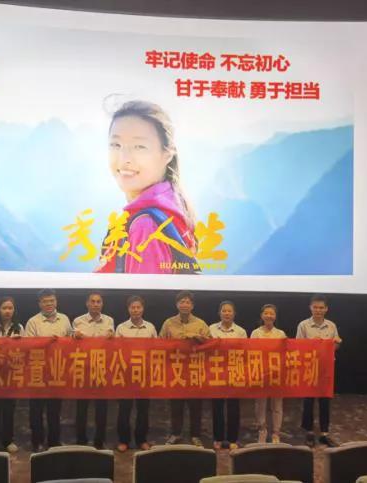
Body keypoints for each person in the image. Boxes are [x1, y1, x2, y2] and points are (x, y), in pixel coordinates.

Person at [97, 100, 198, 274]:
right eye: (116, 145)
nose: (124, 158)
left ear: (167, 154)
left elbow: (146, 293)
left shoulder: (146, 227)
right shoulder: (171, 207)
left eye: (139, 147)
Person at [159, 291, 210, 446]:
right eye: (182, 302)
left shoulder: (200, 324)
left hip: (194, 370)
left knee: (195, 405)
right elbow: (160, 343)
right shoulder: (168, 323)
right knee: (176, 405)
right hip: (176, 369)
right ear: (177, 304)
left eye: (188, 302)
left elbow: (210, 344)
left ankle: (195, 435)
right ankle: (176, 433)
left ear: (192, 305)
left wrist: (199, 339)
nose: (185, 305)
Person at [25, 289, 72, 452]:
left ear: (56, 301)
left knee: (55, 409)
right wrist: (46, 342)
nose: (49, 304)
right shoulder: (32, 322)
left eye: (51, 300)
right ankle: (37, 441)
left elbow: (71, 342)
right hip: (37, 371)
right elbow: (28, 345)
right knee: (36, 410)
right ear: (39, 303)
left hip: (57, 371)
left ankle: (54, 441)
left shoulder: (64, 319)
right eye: (45, 301)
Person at [296, 294, 342, 447]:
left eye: (321, 307)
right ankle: (309, 432)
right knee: (308, 401)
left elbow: (335, 346)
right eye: (315, 307)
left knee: (325, 401)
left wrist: (336, 343)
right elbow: (298, 346)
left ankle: (324, 433)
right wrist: (312, 343)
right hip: (309, 367)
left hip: (326, 368)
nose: (318, 310)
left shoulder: (331, 326)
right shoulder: (303, 325)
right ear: (310, 308)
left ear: (326, 309)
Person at [72, 291, 115, 449]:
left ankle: (99, 441)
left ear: (102, 304)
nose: (96, 304)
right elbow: (70, 343)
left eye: (98, 302)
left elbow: (112, 344)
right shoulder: (78, 321)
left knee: (101, 408)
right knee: (81, 408)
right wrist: (74, 336)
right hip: (83, 369)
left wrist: (111, 337)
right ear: (87, 303)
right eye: (93, 301)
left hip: (101, 369)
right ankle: (81, 440)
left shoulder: (109, 321)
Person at [115, 295, 157, 452]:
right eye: (133, 307)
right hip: (126, 374)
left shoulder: (150, 328)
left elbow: (157, 349)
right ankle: (123, 440)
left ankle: (141, 440)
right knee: (124, 409)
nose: (136, 310)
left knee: (143, 409)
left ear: (143, 309)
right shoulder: (121, 328)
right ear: (128, 309)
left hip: (144, 374)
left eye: (138, 307)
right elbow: (116, 350)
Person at [0, 296, 24, 453]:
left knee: (9, 409)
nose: (7, 311)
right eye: (4, 308)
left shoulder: (19, 328)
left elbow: (26, 351)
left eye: (10, 308)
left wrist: (19, 342)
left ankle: (8, 440)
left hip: (11, 374)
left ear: (14, 310)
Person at [208, 300, 247, 450]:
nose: (227, 313)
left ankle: (232, 439)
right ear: (219, 313)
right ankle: (218, 438)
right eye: (224, 311)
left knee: (233, 407)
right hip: (216, 371)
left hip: (234, 371)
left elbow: (245, 352)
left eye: (229, 311)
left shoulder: (241, 331)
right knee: (217, 406)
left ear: (234, 314)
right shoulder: (211, 329)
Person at [251, 304, 287, 444]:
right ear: (262, 315)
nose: (269, 316)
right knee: (260, 403)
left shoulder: (281, 334)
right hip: (261, 372)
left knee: (277, 404)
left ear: (275, 316)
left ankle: (276, 432)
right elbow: (250, 352)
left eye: (271, 313)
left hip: (277, 373)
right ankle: (262, 429)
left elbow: (286, 352)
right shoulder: (255, 333)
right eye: (266, 313)